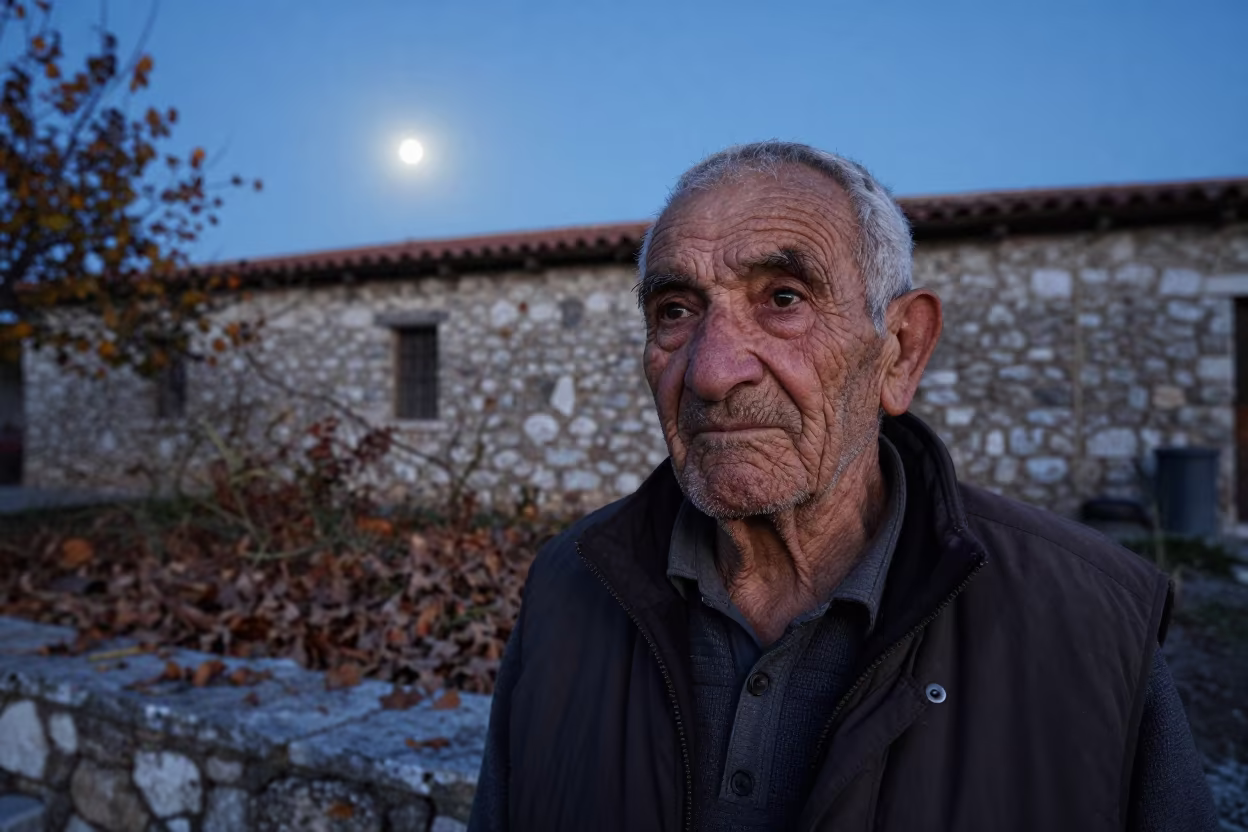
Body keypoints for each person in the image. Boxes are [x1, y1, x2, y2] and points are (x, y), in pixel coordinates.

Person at [468, 141, 1219, 831]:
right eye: (675, 311)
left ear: (900, 351)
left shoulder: (1090, 621)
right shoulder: (568, 589)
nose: (710, 370)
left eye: (784, 298)